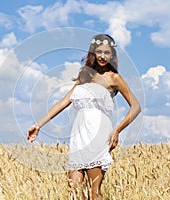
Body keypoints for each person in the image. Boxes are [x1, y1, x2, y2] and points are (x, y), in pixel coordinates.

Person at [27, 34, 141, 199]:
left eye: (107, 52)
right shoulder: (85, 76)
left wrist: (117, 130)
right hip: (78, 137)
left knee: (93, 193)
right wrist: (38, 125)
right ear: (93, 53)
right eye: (99, 52)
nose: (102, 56)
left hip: (98, 135)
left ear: (112, 55)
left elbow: (136, 106)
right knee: (73, 190)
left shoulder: (114, 78)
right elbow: (62, 102)